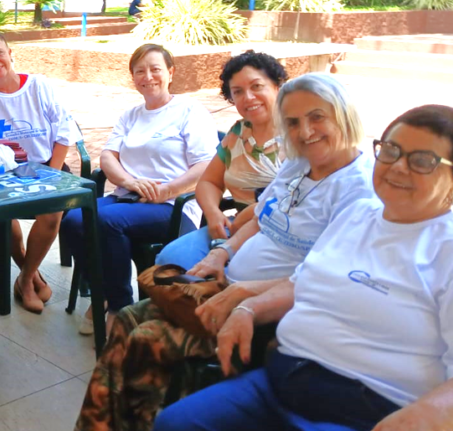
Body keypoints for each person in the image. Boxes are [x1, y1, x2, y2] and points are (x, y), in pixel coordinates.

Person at [74, 73, 375, 431]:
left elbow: (325, 281)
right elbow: (260, 218)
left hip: (269, 313)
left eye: (317, 117)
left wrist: (243, 293)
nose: (305, 131)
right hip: (225, 285)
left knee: (147, 340)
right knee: (127, 319)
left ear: (344, 115)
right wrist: (223, 252)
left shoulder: (361, 191)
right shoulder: (298, 164)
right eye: (293, 122)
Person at [154, 104, 453, 431]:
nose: (398, 167)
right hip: (281, 380)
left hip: (369, 410)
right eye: (390, 151)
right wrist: (249, 308)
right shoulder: (357, 214)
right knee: (174, 423)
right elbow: (303, 282)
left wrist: (429, 415)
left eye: (423, 160)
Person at [61, 44, 219, 334]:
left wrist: (168, 190)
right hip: (129, 198)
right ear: (133, 77)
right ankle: (105, 295)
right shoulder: (131, 115)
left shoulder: (190, 112)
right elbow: (108, 157)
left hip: (172, 206)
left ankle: (120, 308)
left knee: (107, 221)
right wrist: (128, 182)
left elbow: (206, 165)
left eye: (155, 69)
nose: (148, 76)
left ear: (170, 72)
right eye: (140, 71)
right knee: (73, 218)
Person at [0, 29, 82, 313]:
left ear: (10, 54)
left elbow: (65, 131)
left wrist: (52, 174)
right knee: (3, 218)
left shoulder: (39, 86)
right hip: (0, 175)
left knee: (52, 212)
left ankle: (24, 279)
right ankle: (31, 275)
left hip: (46, 166)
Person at [155, 51, 288, 270]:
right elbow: (209, 182)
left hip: (283, 233)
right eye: (238, 92)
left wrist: (247, 217)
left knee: (234, 274)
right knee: (170, 261)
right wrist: (213, 213)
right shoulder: (237, 134)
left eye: (256, 86)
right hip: (234, 228)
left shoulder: (299, 135)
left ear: (276, 86)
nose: (248, 97)